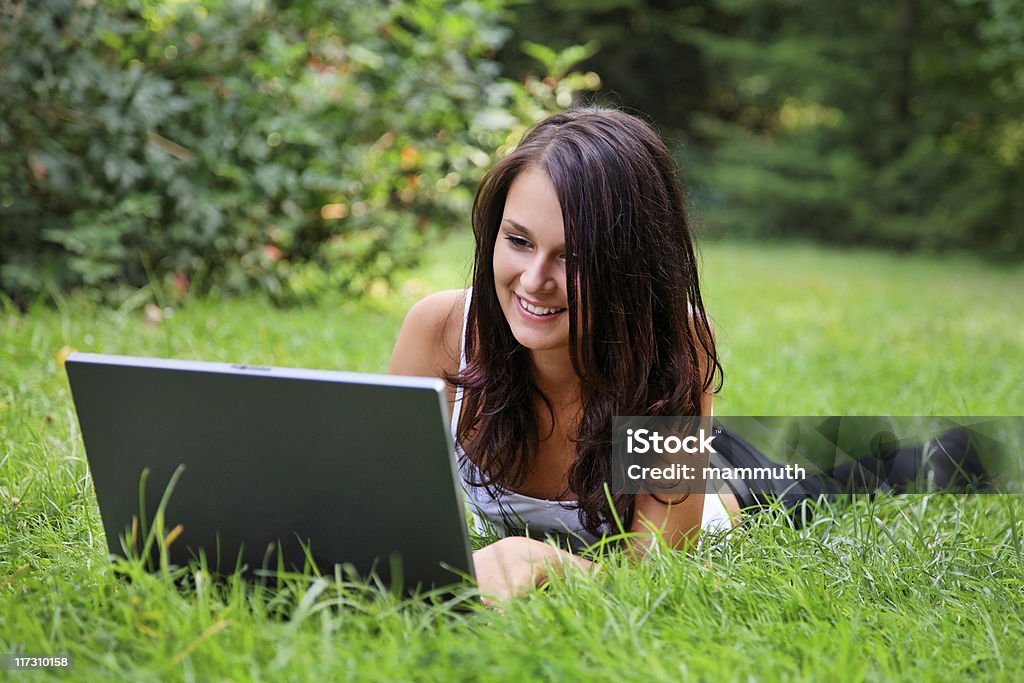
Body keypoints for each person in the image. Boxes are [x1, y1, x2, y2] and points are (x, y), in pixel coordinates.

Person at [388, 107, 984, 601]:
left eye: (575, 258)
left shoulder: (671, 349)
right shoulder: (443, 329)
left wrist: (536, 560)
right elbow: (380, 518)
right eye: (517, 241)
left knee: (833, 481)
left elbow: (655, 576)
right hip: (655, 445)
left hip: (711, 482)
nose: (534, 279)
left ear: (630, 264)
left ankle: (955, 449)